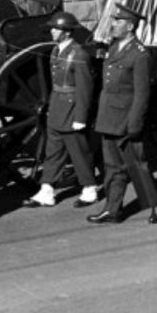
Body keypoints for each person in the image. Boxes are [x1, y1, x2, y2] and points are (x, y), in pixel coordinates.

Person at [88, 5, 157, 224]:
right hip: (108, 119)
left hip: (126, 121)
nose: (113, 24)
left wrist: (135, 123)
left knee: (138, 166)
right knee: (112, 168)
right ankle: (112, 210)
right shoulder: (114, 48)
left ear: (130, 27)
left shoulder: (139, 55)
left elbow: (142, 94)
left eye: (118, 21)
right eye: (114, 20)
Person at [25, 12, 96, 209]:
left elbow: (85, 88)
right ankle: (47, 189)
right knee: (53, 152)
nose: (52, 31)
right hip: (57, 107)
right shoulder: (56, 51)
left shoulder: (79, 54)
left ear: (66, 32)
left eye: (56, 29)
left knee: (78, 152)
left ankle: (89, 188)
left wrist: (81, 117)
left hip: (72, 109)